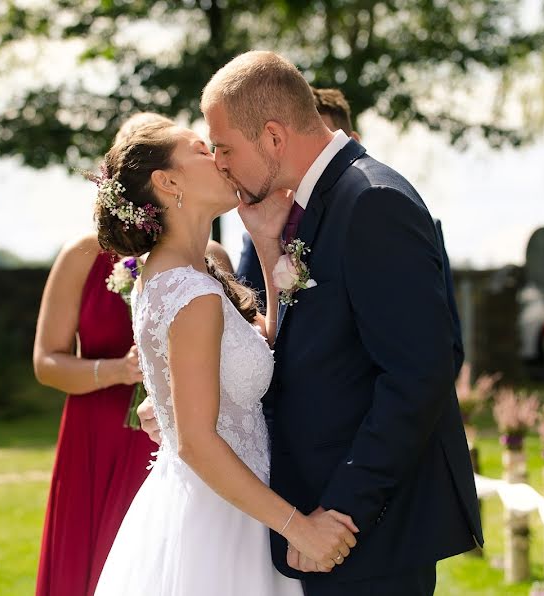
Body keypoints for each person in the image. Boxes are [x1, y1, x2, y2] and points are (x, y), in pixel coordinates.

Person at [203, 51, 481, 595]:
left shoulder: (372, 202)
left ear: (275, 138)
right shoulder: (309, 206)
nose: (220, 164)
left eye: (225, 148)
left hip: (367, 531)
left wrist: (340, 513)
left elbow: (419, 374)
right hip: (324, 521)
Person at [92, 117, 355, 595]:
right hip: (222, 520)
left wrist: (266, 240)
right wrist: (300, 528)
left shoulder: (182, 274)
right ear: (168, 182)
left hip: (224, 502)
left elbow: (261, 349)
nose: (219, 157)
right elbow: (195, 441)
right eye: (201, 149)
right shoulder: (191, 292)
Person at [235, 86, 465, 377]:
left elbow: (437, 352)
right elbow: (248, 337)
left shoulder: (386, 212)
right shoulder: (261, 237)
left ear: (347, 141)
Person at [32, 232, 156, 595]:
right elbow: (46, 362)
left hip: (171, 438)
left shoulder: (209, 256)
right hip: (94, 442)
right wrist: (119, 370)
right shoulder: (81, 256)